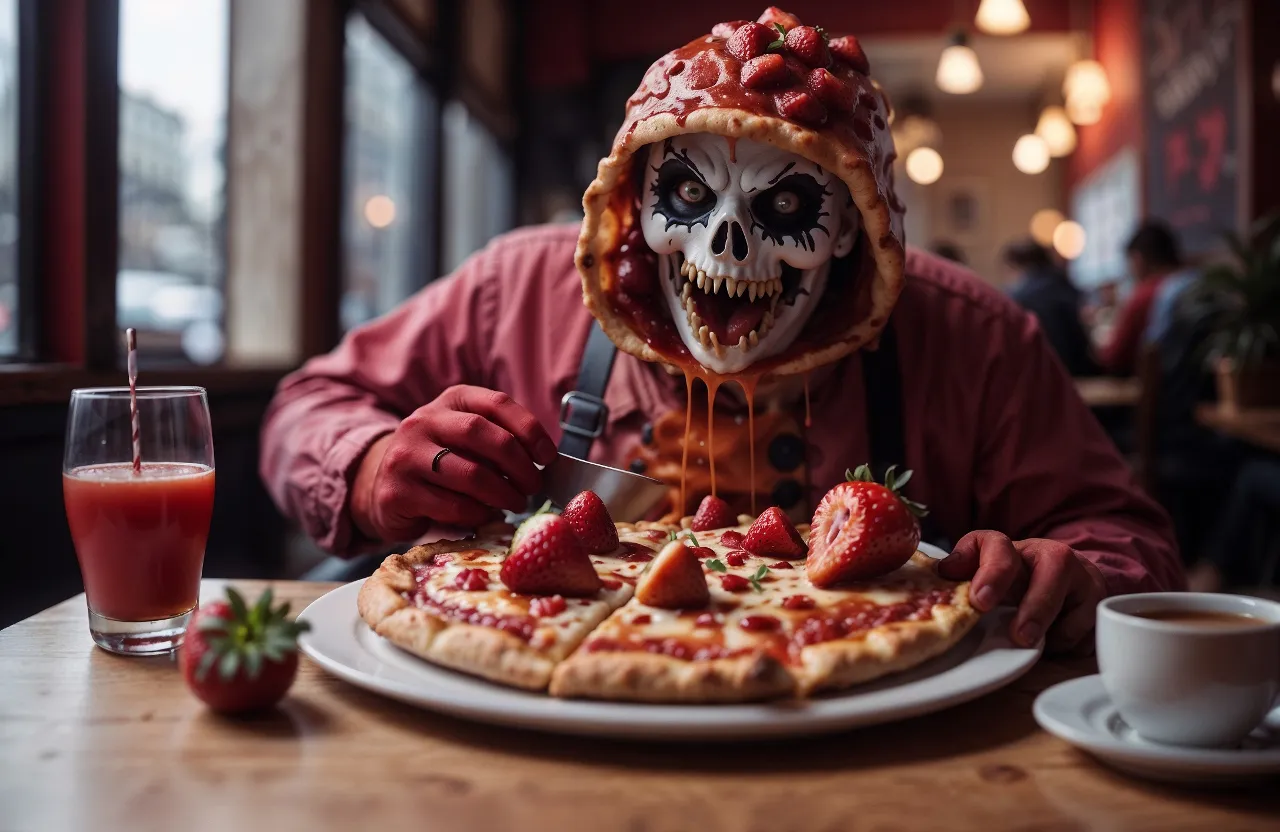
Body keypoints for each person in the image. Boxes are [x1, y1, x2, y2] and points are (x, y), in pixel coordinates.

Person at [260, 7, 1182, 654]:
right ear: (631, 204)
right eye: (688, 195)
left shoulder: (973, 335)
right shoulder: (517, 284)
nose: (724, 242)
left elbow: (1119, 535)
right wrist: (370, 464)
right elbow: (309, 403)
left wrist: (1075, 577)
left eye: (787, 202)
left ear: (862, 232)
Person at [1097, 221, 1185, 376]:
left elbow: (1114, 357)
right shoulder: (1195, 286)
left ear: (1138, 259)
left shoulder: (1145, 295)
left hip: (1155, 390)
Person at [1004, 239, 1097, 377]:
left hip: (1042, 376)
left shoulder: (1019, 297)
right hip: (1078, 369)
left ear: (1016, 266)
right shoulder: (1065, 285)